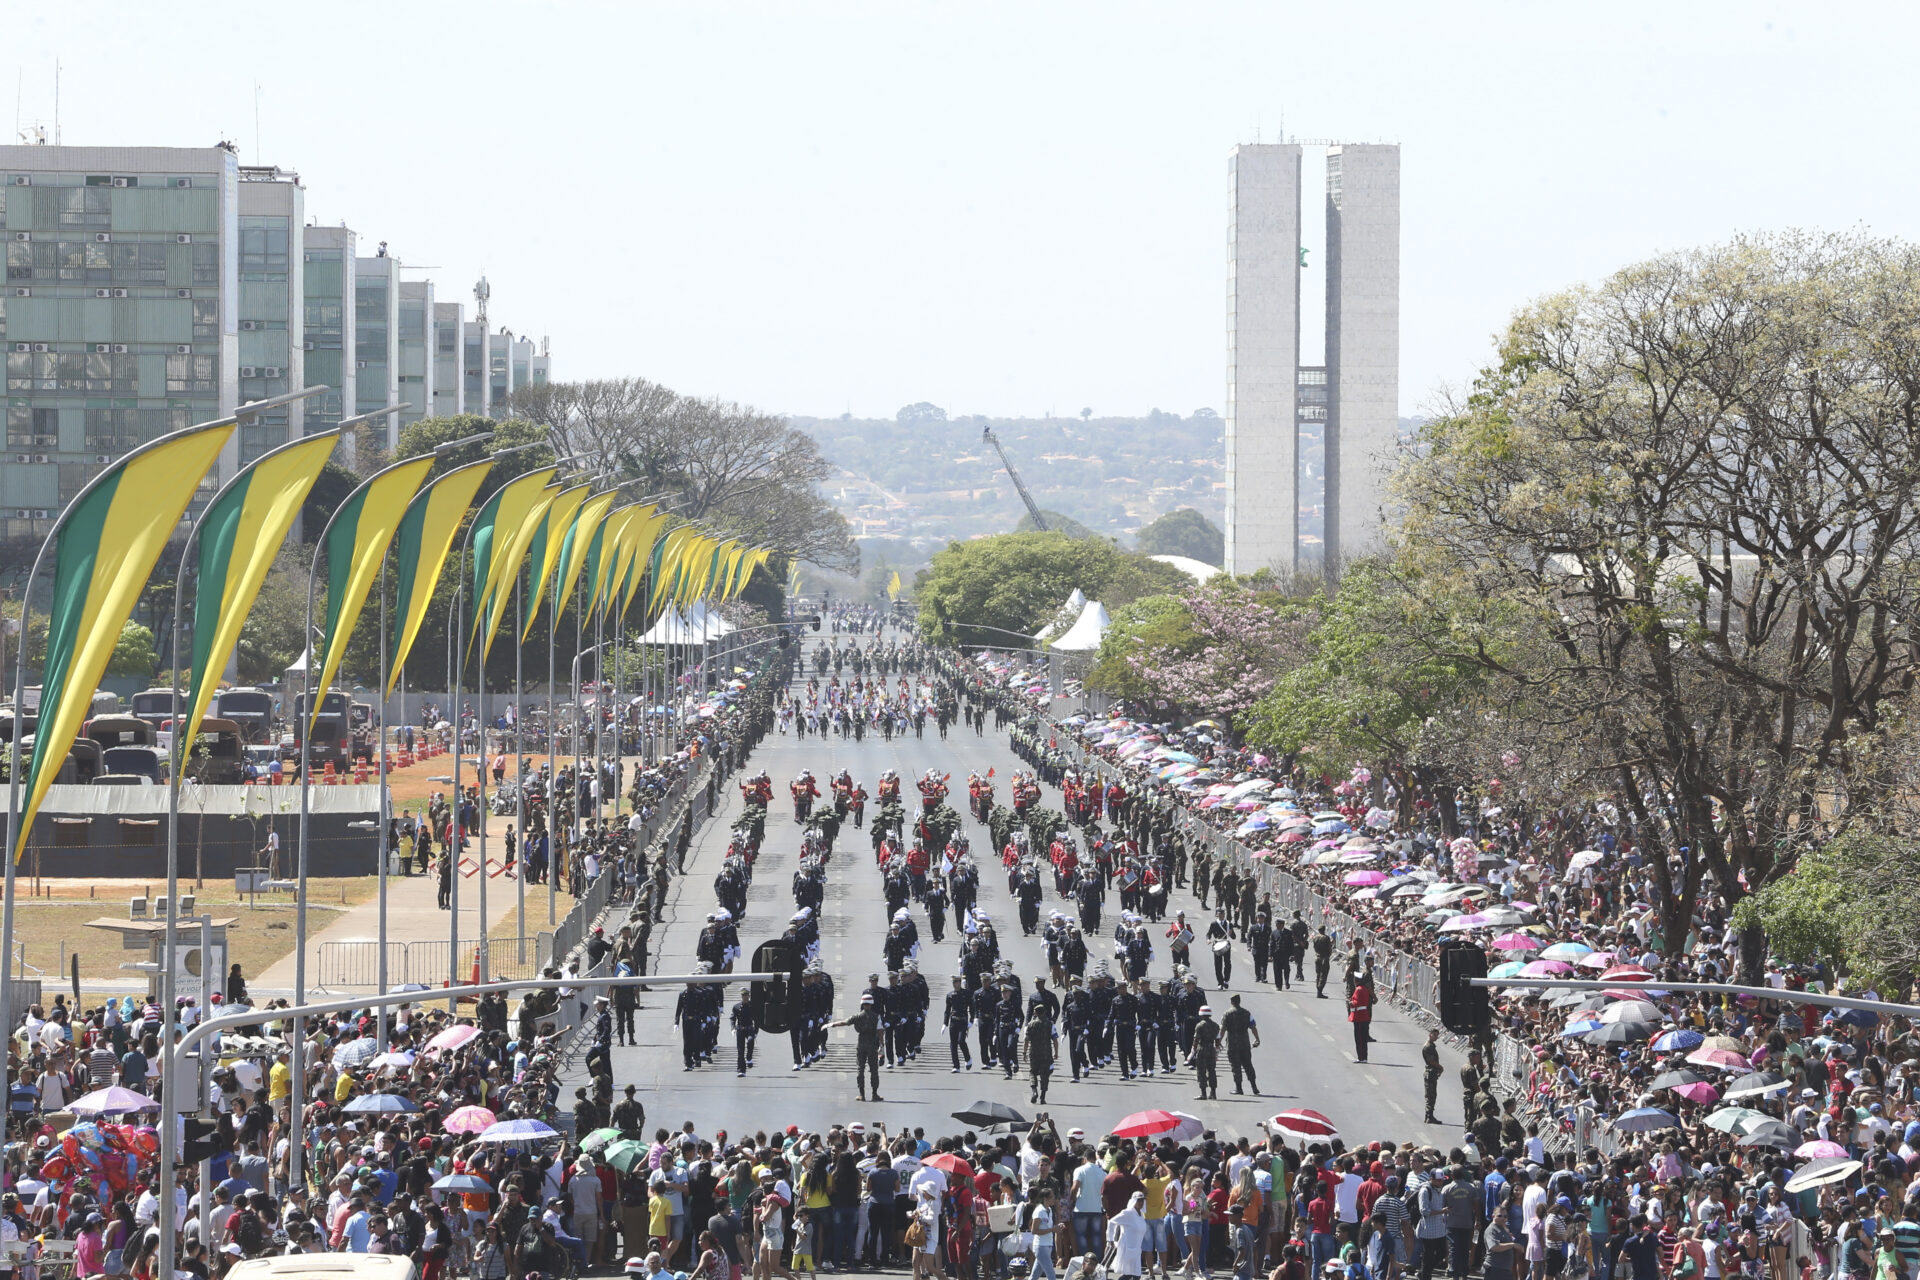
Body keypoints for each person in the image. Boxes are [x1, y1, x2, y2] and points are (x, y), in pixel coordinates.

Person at [1220, 995, 1260, 1095]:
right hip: (1244, 1043)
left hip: (1232, 1044)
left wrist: (1218, 1041)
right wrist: (1257, 1039)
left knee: (1235, 1066)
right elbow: (1253, 1027)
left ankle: (1239, 1088)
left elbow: (1223, 1029)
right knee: (1248, 1065)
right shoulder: (1247, 1013)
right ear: (1239, 1001)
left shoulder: (1227, 1014)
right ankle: (1254, 1087)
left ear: (1231, 1002)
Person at [1109, 1191, 1149, 1280]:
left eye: (1142, 1200)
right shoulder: (1128, 1213)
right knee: (1133, 1275)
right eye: (1139, 1200)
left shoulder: (1141, 1214)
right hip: (1128, 1249)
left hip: (1137, 1250)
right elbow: (1112, 1222)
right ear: (1134, 1201)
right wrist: (1111, 1239)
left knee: (1131, 1275)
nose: (1141, 1203)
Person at [1347, 975, 1375, 1063]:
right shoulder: (1364, 988)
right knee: (1363, 1038)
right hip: (1364, 1016)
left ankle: (1361, 1057)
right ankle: (1364, 1057)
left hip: (1359, 1016)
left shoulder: (1359, 989)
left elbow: (1357, 1002)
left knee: (1359, 1038)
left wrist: (1351, 1002)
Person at [1422, 1029, 1443, 1124]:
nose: (1435, 1037)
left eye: (1437, 1035)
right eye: (1434, 1034)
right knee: (1431, 1095)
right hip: (1430, 1073)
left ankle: (1428, 1116)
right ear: (1430, 1035)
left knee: (1431, 1095)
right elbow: (1431, 1061)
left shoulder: (1431, 1046)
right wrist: (1440, 1067)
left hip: (1432, 1073)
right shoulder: (1428, 1047)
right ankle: (1429, 1116)